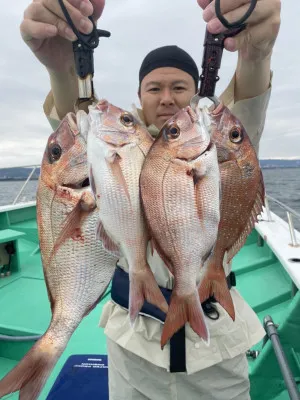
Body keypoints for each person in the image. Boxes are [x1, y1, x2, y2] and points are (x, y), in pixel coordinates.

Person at [20, 0, 281, 399]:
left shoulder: (213, 149)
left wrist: (256, 54)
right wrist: (61, 66)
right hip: (132, 348)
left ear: (196, 97)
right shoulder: (121, 149)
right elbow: (75, 128)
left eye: (179, 88)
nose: (167, 98)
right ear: (139, 97)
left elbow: (247, 104)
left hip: (216, 346)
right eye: (154, 88)